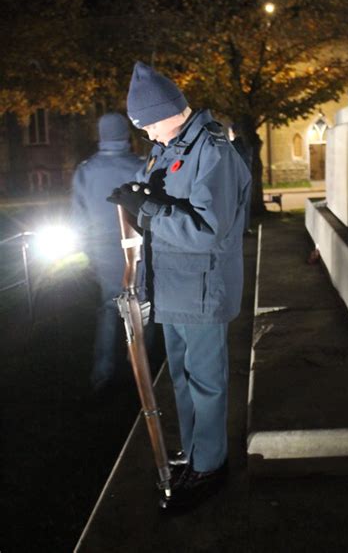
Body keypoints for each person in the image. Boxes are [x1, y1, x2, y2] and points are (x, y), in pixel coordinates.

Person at [107, 61, 251, 511]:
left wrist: (148, 211)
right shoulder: (168, 147)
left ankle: (210, 466)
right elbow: (164, 203)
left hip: (203, 288)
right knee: (184, 381)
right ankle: (194, 452)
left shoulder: (213, 151)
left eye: (148, 123)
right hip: (172, 286)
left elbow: (211, 230)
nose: (148, 134)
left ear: (169, 110)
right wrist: (140, 196)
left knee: (207, 381)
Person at [71, 112, 144, 392]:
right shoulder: (139, 166)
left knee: (108, 308)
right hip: (137, 249)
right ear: (125, 134)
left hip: (103, 251)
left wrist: (86, 251)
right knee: (141, 306)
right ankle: (142, 371)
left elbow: (78, 217)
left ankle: (102, 372)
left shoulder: (85, 171)